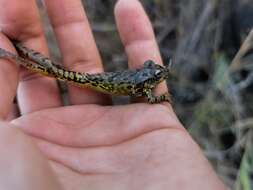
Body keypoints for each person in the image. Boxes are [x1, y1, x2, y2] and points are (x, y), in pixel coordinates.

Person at [0, 0, 228, 189]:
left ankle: (18, 53)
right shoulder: (145, 88)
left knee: (57, 72)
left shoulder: (143, 83)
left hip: (104, 81)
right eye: (155, 77)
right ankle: (16, 54)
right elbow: (151, 98)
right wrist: (160, 98)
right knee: (56, 73)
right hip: (98, 81)